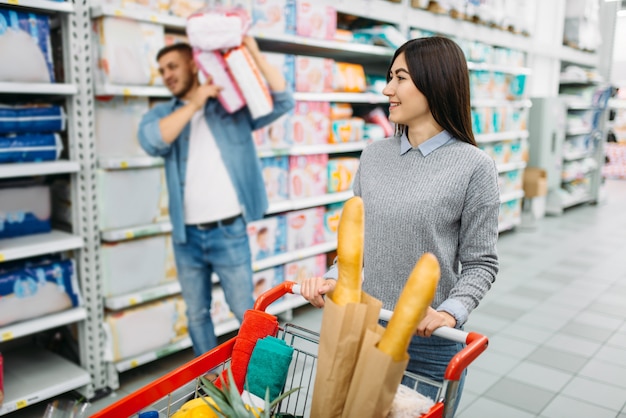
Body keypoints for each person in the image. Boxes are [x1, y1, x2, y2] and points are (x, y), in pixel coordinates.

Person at [300, 36, 500, 410]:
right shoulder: (374, 155)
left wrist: (450, 311)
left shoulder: (475, 167)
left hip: (430, 342)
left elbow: (481, 263)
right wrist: (332, 277)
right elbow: (355, 243)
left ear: (435, 81)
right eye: (390, 76)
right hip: (365, 328)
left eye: (400, 78)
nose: (388, 88)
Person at [138, 37, 295, 357]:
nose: (166, 74)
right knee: (196, 315)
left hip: (229, 231)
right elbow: (153, 141)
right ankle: (209, 385)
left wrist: (251, 50)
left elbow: (282, 100)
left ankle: (255, 387)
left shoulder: (230, 108)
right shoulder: (160, 115)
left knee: (245, 311)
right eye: (162, 70)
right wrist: (194, 103)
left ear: (194, 64)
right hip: (187, 237)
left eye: (173, 66)